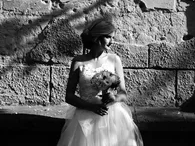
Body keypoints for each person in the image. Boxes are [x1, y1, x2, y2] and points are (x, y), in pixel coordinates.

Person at [56, 17, 144, 146]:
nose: (112, 41)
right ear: (97, 37)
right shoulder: (78, 61)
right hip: (85, 116)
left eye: (112, 37)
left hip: (111, 116)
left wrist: (112, 98)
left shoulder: (114, 60)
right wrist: (90, 107)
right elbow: (69, 96)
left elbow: (123, 94)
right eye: (108, 37)